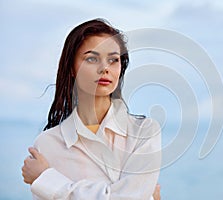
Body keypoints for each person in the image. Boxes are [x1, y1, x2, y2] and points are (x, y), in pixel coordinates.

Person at [21, 19, 161, 200]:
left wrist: (48, 181)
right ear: (72, 67)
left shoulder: (144, 132)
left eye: (113, 60)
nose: (104, 68)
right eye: (92, 58)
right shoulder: (47, 144)